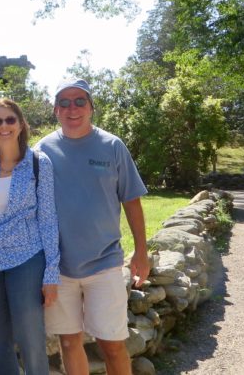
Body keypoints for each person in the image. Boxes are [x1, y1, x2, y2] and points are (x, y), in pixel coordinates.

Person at [35, 78, 149, 375]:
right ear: (55, 110)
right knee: (70, 343)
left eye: (79, 101)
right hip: (58, 268)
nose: (72, 108)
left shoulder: (112, 146)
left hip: (105, 263)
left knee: (112, 344)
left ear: (91, 108)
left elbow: (132, 201)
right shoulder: (41, 151)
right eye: (64, 102)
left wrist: (141, 252)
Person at [0, 98, 60, 375]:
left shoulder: (38, 164)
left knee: (30, 338)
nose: (3, 126)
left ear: (20, 125)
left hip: (25, 259)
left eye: (10, 120)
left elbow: (48, 219)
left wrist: (51, 273)